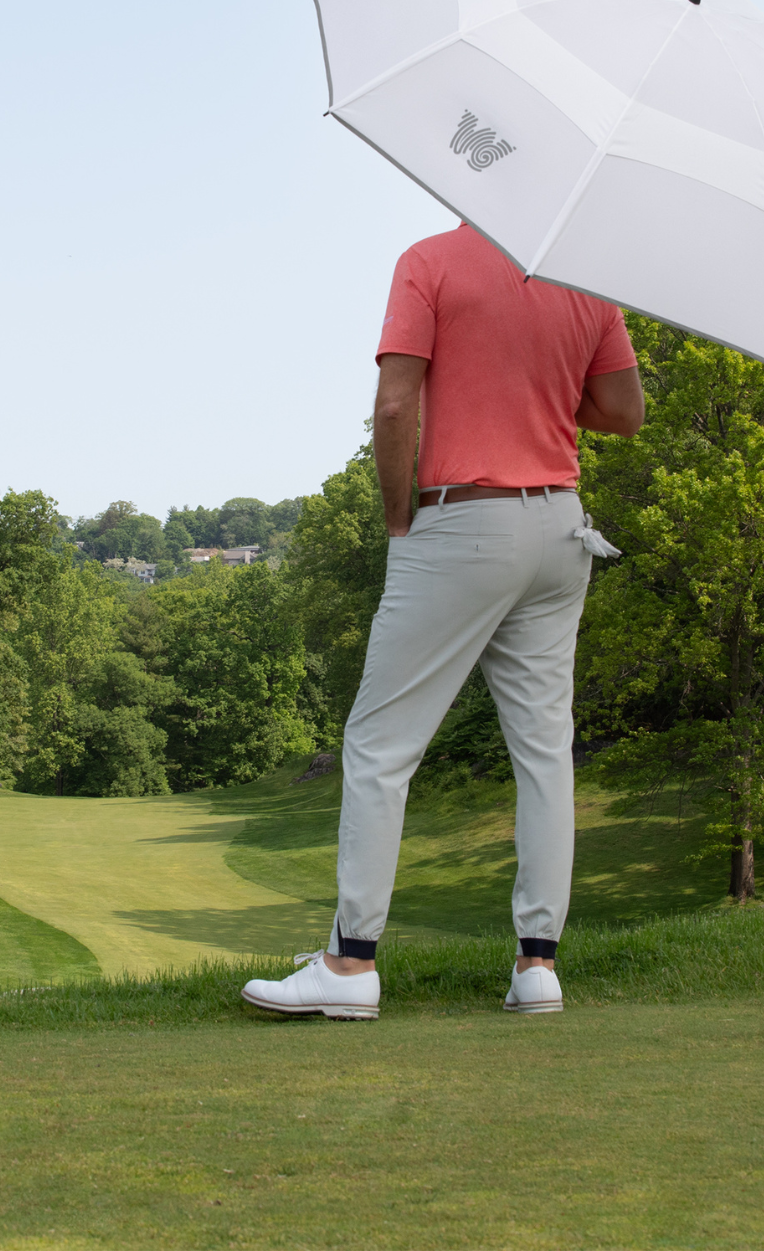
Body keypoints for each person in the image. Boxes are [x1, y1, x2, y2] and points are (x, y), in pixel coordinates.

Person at [241, 221, 644, 1020]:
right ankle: (538, 968)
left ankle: (350, 967)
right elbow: (624, 413)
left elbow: (395, 406)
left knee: (381, 743)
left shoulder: (429, 263)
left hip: (465, 521)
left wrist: (401, 520)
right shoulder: (585, 276)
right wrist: (543, 389)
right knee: (543, 749)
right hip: (561, 526)